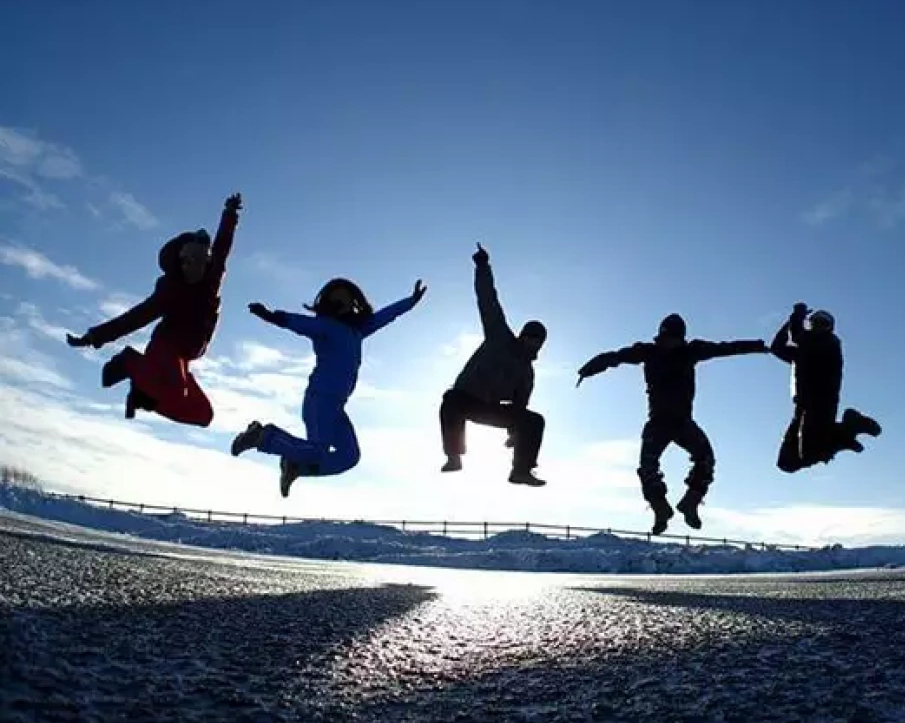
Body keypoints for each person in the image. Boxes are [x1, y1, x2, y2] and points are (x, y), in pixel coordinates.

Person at [230, 277, 427, 497]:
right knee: (317, 450)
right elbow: (299, 323)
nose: (343, 306)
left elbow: (385, 316)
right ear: (328, 305)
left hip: (337, 405)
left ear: (354, 304)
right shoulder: (324, 326)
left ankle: (296, 466)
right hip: (320, 399)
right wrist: (271, 316)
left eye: (347, 302)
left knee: (349, 457)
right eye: (337, 302)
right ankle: (262, 437)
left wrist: (410, 301)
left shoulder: (357, 330)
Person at [576, 314, 767, 535]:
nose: (670, 344)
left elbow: (725, 348)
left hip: (683, 422)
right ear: (661, 337)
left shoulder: (691, 351)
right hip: (657, 422)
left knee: (705, 458)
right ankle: (660, 509)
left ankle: (690, 502)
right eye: (667, 339)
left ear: (681, 338)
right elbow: (615, 357)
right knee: (647, 466)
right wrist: (589, 368)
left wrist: (757, 346)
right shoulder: (648, 351)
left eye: (675, 339)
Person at [66, 193, 243, 425]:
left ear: (206, 263)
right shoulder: (170, 291)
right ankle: (129, 363)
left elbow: (222, 246)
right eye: (189, 263)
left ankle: (144, 393)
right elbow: (133, 319)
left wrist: (230, 214)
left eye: (200, 262)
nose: (194, 269)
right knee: (174, 393)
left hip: (184, 358)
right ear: (180, 264)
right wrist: (93, 337)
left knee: (203, 416)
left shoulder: (212, 278)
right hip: (165, 349)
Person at [439, 244, 548, 486]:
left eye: (537, 341)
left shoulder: (526, 373)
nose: (532, 343)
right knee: (450, 400)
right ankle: (454, 457)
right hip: (465, 399)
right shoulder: (499, 336)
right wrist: (482, 266)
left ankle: (521, 470)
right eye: (529, 337)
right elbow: (488, 300)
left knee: (534, 421)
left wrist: (515, 432)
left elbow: (520, 405)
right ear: (522, 336)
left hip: (489, 409)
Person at [769, 303, 881, 473]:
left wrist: (797, 317)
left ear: (829, 328)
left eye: (823, 324)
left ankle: (846, 431)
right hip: (802, 407)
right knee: (786, 462)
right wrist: (791, 320)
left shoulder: (829, 345)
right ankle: (844, 433)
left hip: (821, 405)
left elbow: (800, 337)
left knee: (809, 453)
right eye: (815, 323)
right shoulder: (804, 350)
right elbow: (776, 347)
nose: (818, 327)